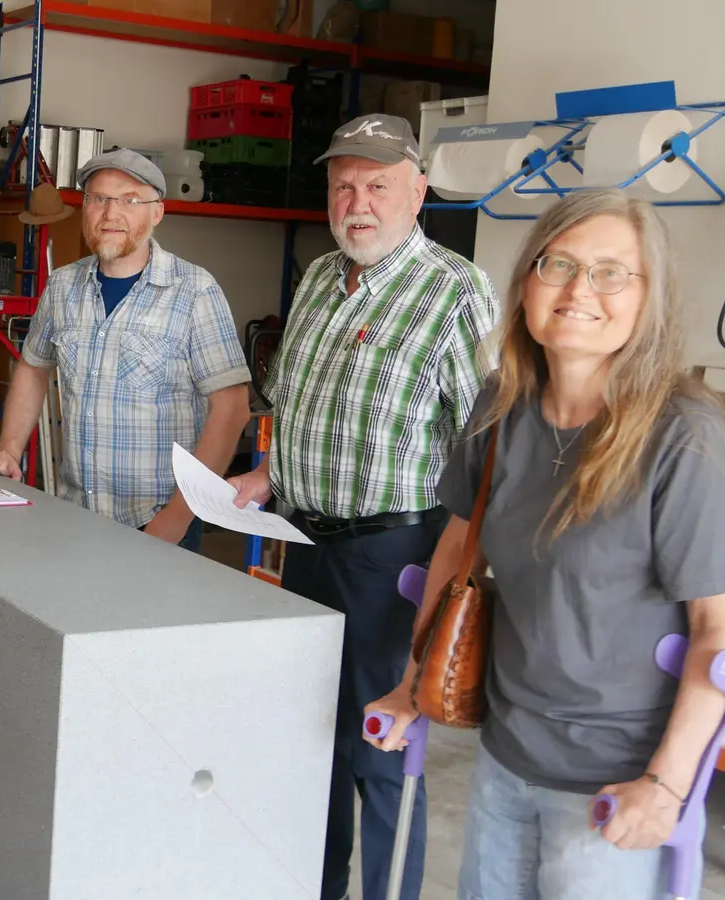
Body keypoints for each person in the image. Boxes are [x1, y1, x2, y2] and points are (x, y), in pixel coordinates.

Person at [364, 188, 725, 899]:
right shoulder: (501, 401)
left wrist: (666, 785)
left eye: (611, 272)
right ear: (526, 284)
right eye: (559, 264)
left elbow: (720, 633)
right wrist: (412, 686)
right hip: (505, 755)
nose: (580, 290)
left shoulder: (679, 435)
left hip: (615, 780)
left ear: (649, 299)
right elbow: (456, 553)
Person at [228, 114, 500, 900]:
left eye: (378, 185)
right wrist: (268, 473)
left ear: (417, 192)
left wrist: (459, 579)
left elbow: (485, 451)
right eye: (344, 185)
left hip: (397, 557)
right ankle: (316, 885)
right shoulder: (318, 277)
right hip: (304, 541)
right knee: (313, 741)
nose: (359, 202)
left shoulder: (456, 292)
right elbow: (301, 404)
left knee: (379, 744)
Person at [0, 148, 252, 550]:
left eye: (129, 200)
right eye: (99, 199)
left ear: (156, 213)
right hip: (75, 513)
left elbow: (232, 408)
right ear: (85, 208)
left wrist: (177, 517)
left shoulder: (194, 291)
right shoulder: (63, 287)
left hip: (157, 519)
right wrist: (8, 450)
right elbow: (34, 368)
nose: (110, 214)